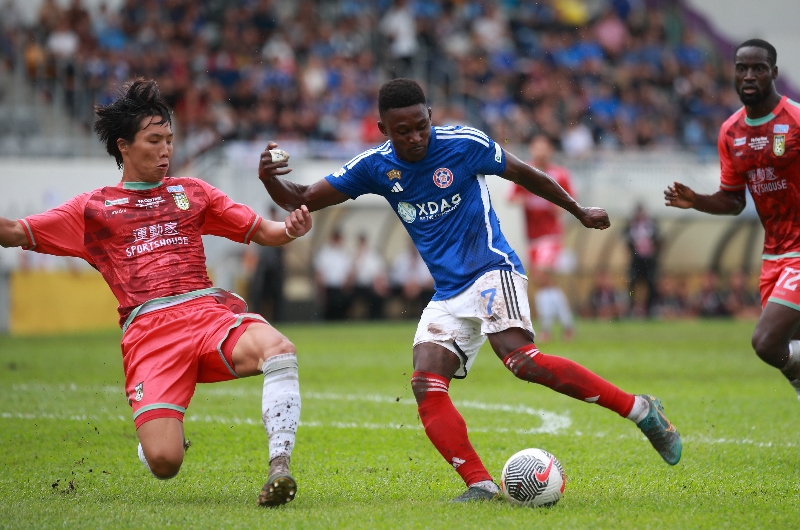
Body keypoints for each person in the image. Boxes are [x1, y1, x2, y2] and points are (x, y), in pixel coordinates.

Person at [259, 78, 682, 502]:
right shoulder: (375, 166)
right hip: (448, 291)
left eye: (421, 126)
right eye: (402, 131)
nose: (414, 137)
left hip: (492, 269)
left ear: (430, 116)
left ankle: (641, 410)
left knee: (521, 362)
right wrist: (269, 180)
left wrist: (578, 210)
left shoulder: (464, 143)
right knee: (426, 383)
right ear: (383, 129)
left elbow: (524, 173)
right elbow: (302, 196)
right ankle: (479, 484)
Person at [0, 79, 311, 507]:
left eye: (169, 139)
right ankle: (159, 441)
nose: (166, 149)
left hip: (206, 315)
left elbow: (264, 232)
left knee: (278, 348)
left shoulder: (192, 193)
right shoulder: (94, 208)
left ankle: (280, 467)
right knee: (164, 463)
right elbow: (16, 231)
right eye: (154, 140)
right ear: (124, 145)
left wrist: (289, 228)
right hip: (150, 332)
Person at [664, 39, 800, 402]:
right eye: (742, 68)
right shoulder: (731, 132)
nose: (749, 75)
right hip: (774, 255)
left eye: (758, 68)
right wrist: (697, 201)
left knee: (767, 342)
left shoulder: (796, 120)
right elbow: (734, 201)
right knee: (792, 351)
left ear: (774, 72)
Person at [508, 135, 576, 341]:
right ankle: (567, 326)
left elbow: (569, 201)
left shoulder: (559, 174)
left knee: (541, 277)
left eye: (543, 147)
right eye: (536, 147)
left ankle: (547, 329)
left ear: (550, 150)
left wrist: (556, 206)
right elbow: (512, 196)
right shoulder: (525, 172)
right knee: (545, 282)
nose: (540, 151)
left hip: (550, 235)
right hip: (532, 237)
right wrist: (523, 199)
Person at [247, 205, 286, 321]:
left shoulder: (280, 226)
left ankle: (277, 319)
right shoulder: (264, 226)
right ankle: (257, 317)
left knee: (276, 295)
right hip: (263, 265)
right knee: (258, 294)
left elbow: (286, 247)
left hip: (276, 266)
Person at [625, 203, 660, 317]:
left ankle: (650, 307)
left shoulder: (651, 225)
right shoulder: (631, 225)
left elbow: (658, 238)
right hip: (636, 260)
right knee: (632, 283)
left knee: (651, 283)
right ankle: (631, 306)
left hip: (648, 261)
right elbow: (625, 238)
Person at [313, 229, 353, 320]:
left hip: (340, 287)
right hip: (328, 286)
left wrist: (347, 283)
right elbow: (319, 270)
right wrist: (320, 286)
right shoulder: (325, 252)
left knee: (340, 308)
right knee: (329, 309)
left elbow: (349, 271)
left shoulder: (344, 254)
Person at [351, 233, 389, 320]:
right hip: (358, 285)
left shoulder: (373, 256)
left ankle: (375, 316)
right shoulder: (354, 256)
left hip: (371, 285)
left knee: (376, 295)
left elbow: (379, 272)